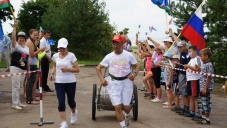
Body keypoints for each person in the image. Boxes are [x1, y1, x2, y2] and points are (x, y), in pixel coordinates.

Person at [96, 34, 139, 128]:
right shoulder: (109, 56)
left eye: (118, 44)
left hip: (126, 82)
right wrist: (102, 79)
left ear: (122, 43)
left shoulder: (128, 55)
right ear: (112, 44)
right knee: (117, 106)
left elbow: (137, 65)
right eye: (114, 43)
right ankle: (123, 126)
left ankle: (127, 114)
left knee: (126, 107)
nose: (116, 46)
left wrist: (134, 74)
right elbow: (98, 68)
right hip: (113, 83)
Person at [49, 38, 80, 128]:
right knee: (61, 102)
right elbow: (54, 66)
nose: (62, 50)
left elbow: (78, 69)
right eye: (60, 48)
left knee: (71, 101)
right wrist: (52, 73)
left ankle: (74, 112)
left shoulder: (71, 56)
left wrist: (68, 69)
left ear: (67, 47)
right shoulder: (55, 56)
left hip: (70, 82)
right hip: (59, 83)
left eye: (63, 48)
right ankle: (63, 122)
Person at [10, 19, 29, 110]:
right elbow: (12, 38)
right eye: (20, 38)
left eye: (23, 38)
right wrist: (15, 27)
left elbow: (27, 60)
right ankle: (15, 104)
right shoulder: (15, 46)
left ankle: (19, 102)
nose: (21, 39)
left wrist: (28, 70)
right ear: (18, 39)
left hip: (23, 69)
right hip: (15, 68)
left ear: (25, 39)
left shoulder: (27, 48)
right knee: (16, 86)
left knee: (20, 86)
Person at [26, 29, 45, 104]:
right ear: (30, 35)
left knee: (33, 82)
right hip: (31, 64)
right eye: (34, 34)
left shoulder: (32, 42)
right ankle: (29, 99)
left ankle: (33, 97)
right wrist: (40, 49)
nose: (36, 36)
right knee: (30, 82)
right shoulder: (29, 42)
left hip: (34, 64)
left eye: (37, 34)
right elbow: (32, 54)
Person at [183, 45, 203, 118]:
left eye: (190, 52)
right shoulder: (191, 59)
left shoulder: (198, 59)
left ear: (195, 51)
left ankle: (197, 112)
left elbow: (198, 69)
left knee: (195, 97)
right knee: (191, 96)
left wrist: (188, 66)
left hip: (195, 79)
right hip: (189, 79)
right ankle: (192, 111)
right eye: (188, 52)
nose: (189, 53)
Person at [196, 48, 214, 124]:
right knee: (201, 103)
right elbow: (203, 73)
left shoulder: (209, 65)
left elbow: (209, 77)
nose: (200, 57)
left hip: (206, 87)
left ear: (206, 56)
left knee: (205, 103)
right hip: (201, 86)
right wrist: (198, 69)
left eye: (201, 55)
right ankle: (203, 117)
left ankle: (207, 118)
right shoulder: (203, 64)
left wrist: (205, 88)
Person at [175, 41, 191, 116]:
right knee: (182, 92)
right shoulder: (182, 54)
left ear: (185, 47)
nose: (179, 49)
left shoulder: (188, 55)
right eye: (178, 47)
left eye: (180, 47)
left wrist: (187, 79)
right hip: (181, 73)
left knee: (185, 93)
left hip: (185, 74)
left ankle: (187, 108)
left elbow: (187, 65)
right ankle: (184, 107)